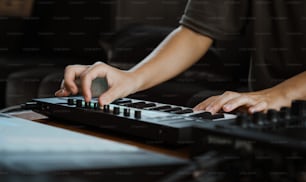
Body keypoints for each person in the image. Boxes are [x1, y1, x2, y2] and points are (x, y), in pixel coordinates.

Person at [55, 0, 306, 114]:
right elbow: (197, 30)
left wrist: (279, 95)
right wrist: (131, 78)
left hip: (274, 104)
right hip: (262, 114)